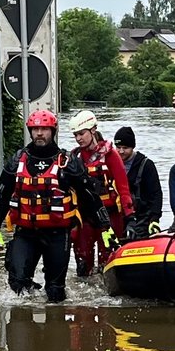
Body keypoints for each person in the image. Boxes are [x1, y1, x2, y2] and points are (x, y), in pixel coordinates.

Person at [0, 110, 112, 304]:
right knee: (18, 285)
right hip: (25, 233)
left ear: (52, 131)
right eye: (35, 129)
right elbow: (2, 194)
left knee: (55, 293)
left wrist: (105, 226)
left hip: (57, 234)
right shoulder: (17, 160)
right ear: (30, 131)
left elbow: (90, 197)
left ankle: (54, 329)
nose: (39, 133)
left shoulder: (68, 163)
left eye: (44, 129)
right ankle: (24, 326)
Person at [67, 110, 133, 276]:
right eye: (75, 135)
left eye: (81, 134)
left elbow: (123, 188)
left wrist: (130, 217)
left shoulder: (110, 155)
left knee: (108, 262)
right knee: (82, 264)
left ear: (93, 130)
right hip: (85, 217)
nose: (78, 138)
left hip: (110, 217)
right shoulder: (74, 157)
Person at [112, 126, 163, 239]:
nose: (121, 151)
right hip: (118, 218)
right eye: (118, 147)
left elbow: (156, 194)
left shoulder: (146, 165)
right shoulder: (110, 164)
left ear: (133, 147)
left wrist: (154, 219)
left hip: (141, 220)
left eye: (125, 148)